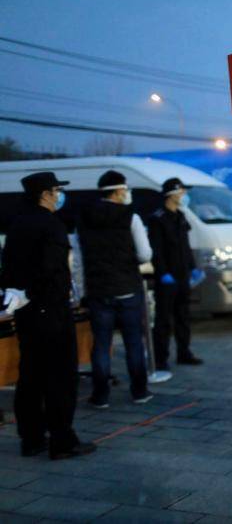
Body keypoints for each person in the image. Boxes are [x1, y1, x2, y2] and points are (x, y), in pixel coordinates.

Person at [0, 172, 96, 459]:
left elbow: (10, 269)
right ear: (45, 194)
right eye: (56, 191)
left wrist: (23, 295)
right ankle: (62, 440)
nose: (59, 196)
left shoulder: (17, 223)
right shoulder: (50, 224)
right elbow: (50, 269)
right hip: (50, 310)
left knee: (30, 375)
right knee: (61, 378)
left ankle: (31, 438)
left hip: (26, 311)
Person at [79, 171, 153, 408]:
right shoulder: (131, 217)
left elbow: (78, 259)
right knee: (133, 342)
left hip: (98, 290)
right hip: (128, 288)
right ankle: (139, 392)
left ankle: (100, 396)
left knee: (101, 344)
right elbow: (145, 254)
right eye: (126, 189)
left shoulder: (84, 217)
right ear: (118, 191)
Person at [148, 178, 205, 370]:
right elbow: (156, 250)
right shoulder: (158, 218)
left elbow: (185, 246)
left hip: (182, 276)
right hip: (167, 277)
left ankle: (184, 353)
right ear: (172, 194)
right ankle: (160, 359)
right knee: (164, 320)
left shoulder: (180, 216)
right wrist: (163, 273)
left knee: (183, 316)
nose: (184, 196)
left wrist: (193, 267)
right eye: (181, 192)